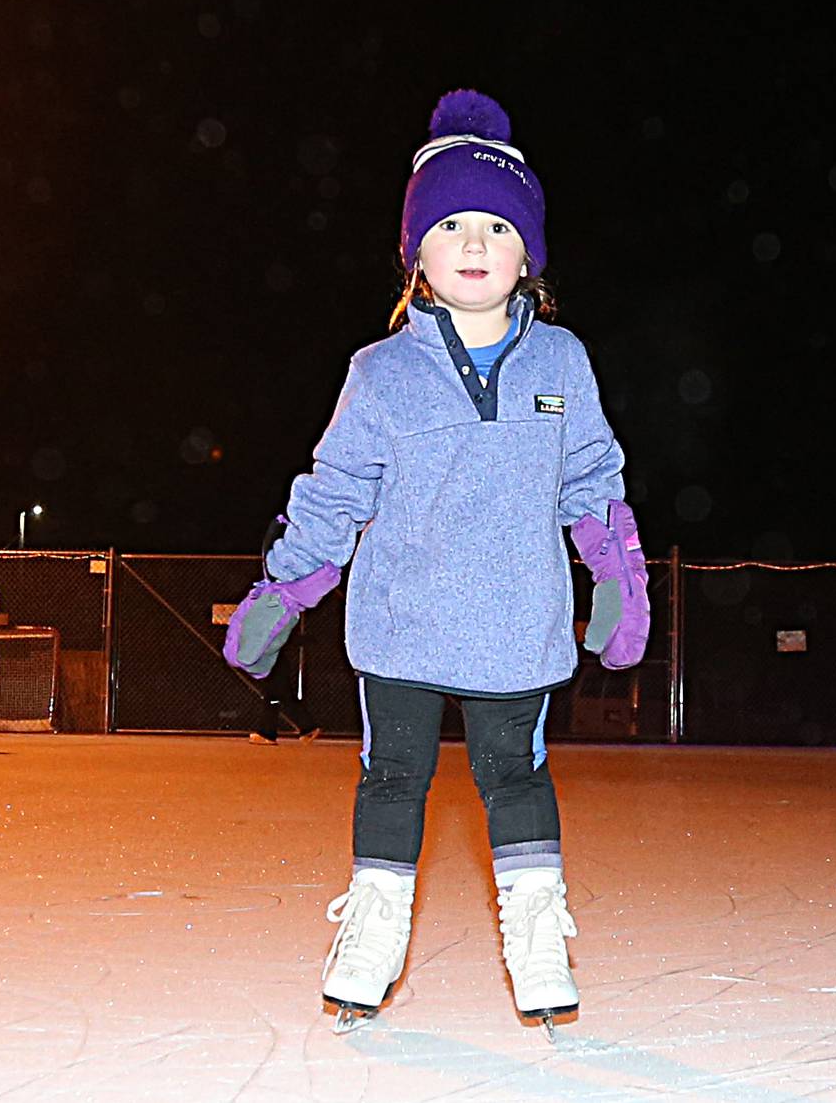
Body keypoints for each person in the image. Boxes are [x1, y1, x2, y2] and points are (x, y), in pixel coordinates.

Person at [223, 90, 650, 1035]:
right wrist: (284, 587)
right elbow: (336, 490)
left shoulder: (563, 363)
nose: (472, 240)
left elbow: (594, 479)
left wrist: (616, 577)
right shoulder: (380, 372)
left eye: (496, 225)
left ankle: (538, 941)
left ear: (526, 254)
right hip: (403, 621)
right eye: (449, 222)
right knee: (391, 777)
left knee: (516, 774)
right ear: (416, 251)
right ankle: (372, 939)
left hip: (514, 624)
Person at [249, 613, 320, 746]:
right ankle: (306, 728)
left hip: (274, 661)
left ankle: (268, 733)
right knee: (277, 697)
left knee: (275, 697)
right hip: (275, 661)